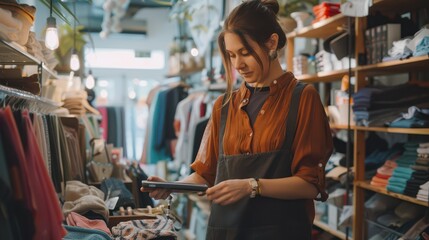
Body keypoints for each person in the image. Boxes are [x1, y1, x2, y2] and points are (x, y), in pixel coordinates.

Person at [141, 0, 333, 239]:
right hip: (226, 232)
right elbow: (205, 175)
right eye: (232, 55)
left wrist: (251, 186)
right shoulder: (223, 105)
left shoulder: (303, 98)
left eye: (245, 53)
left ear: (272, 43)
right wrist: (173, 186)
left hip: (282, 232)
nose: (238, 65)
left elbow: (310, 184)